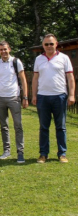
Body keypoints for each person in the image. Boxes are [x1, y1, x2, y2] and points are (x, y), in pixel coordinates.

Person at [32, 34, 75, 163]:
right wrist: (33, 95)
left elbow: (70, 78)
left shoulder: (64, 58)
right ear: (43, 46)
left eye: (51, 43)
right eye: (46, 44)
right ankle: (43, 154)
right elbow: (35, 78)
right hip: (43, 97)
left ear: (56, 44)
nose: (49, 46)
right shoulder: (39, 59)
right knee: (44, 127)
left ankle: (62, 154)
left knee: (60, 127)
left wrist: (71, 94)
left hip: (59, 96)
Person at [0, 41, 28, 163]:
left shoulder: (16, 62)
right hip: (0, 98)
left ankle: (20, 152)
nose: (3, 52)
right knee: (3, 126)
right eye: (1, 50)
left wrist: (25, 97)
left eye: (5, 49)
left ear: (9, 49)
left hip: (14, 98)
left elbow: (23, 80)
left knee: (18, 125)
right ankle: (6, 150)